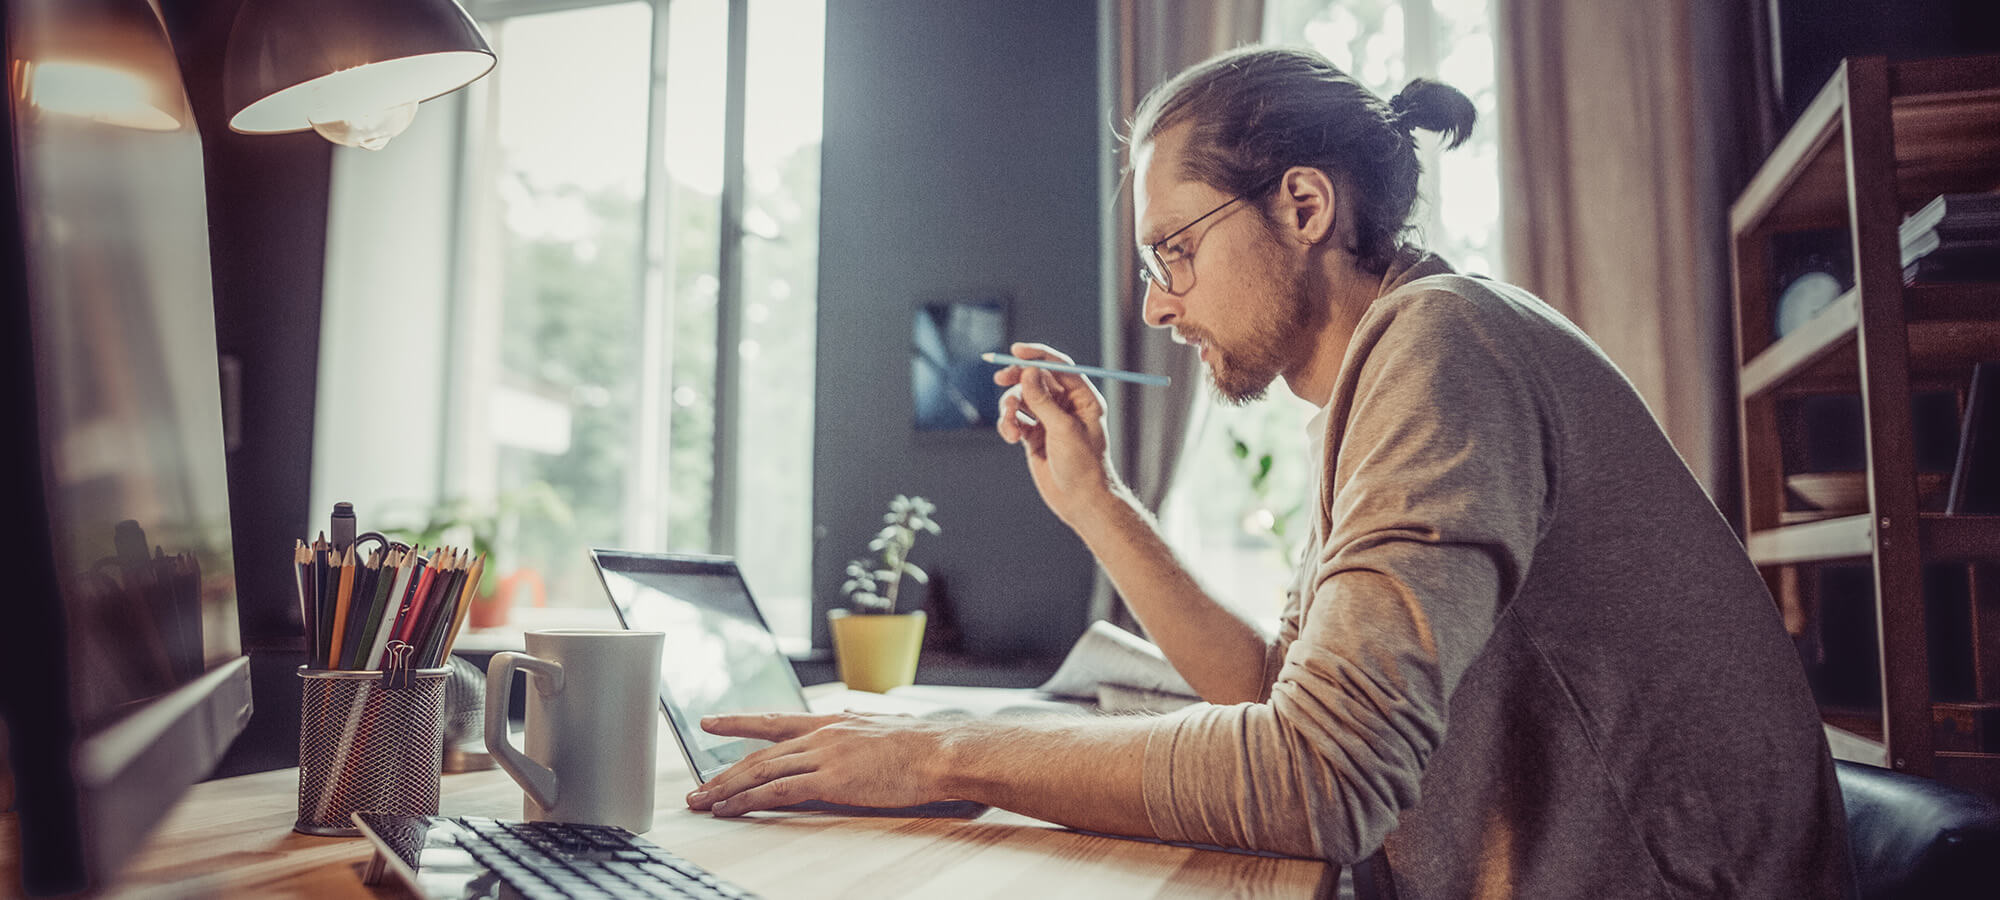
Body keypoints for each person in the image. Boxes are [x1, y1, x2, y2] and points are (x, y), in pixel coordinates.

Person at [688, 45, 1853, 898]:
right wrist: (1095, 503)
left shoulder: (1442, 344)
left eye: (1174, 251)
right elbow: (1274, 693)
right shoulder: (1394, 372)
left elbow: (1318, 775)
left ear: (1300, 203)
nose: (1154, 303)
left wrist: (938, 753)